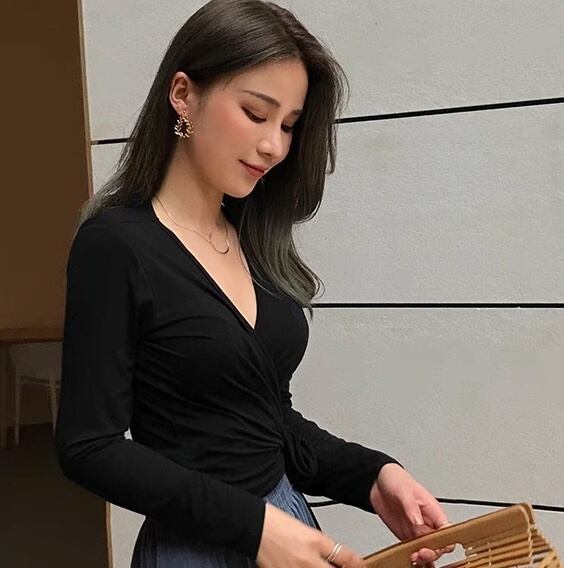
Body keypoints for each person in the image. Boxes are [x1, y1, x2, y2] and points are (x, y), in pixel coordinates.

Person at [55, 1, 455, 566]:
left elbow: (266, 423)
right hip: (199, 549)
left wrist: (373, 476)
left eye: (288, 125)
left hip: (285, 525)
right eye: (255, 113)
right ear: (183, 94)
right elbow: (88, 447)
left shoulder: (254, 243)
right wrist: (256, 529)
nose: (275, 146)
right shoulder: (115, 246)